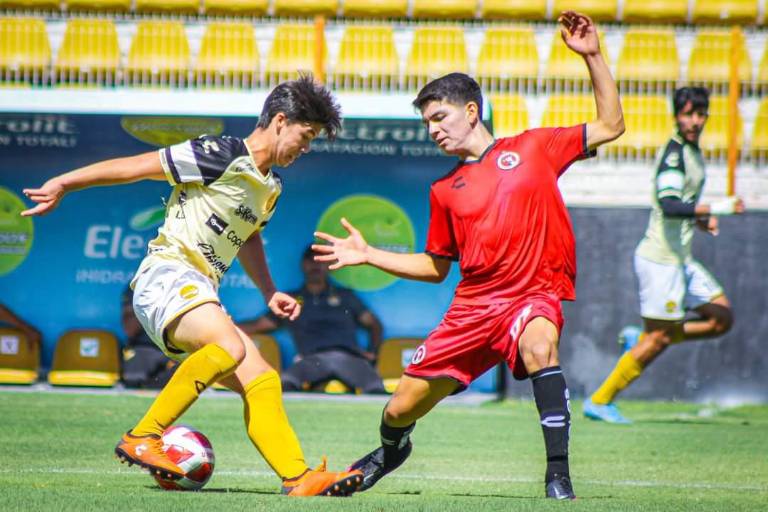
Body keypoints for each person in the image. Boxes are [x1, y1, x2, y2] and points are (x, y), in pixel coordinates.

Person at [312, 11, 624, 500]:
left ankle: (558, 475)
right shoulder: (444, 189)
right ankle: (391, 451)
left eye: (440, 117)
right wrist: (370, 254)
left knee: (540, 347)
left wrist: (593, 56)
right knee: (398, 409)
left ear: (472, 111)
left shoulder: (535, 147)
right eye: (427, 123)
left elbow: (611, 124)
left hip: (532, 296)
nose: (433, 130)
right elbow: (436, 267)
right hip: (473, 309)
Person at [21, 75, 363, 497]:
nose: (306, 148)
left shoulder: (271, 187)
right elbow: (136, 167)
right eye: (305, 136)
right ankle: (143, 436)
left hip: (196, 290)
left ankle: (298, 477)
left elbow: (249, 237)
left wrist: (269, 291)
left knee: (262, 379)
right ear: (280, 120)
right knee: (230, 347)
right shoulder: (220, 154)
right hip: (166, 276)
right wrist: (64, 183)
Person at [583, 87, 745, 424]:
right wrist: (717, 207)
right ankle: (599, 400)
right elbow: (669, 205)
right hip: (660, 261)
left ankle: (643, 339)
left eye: (700, 114)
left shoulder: (692, 152)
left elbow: (679, 205)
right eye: (688, 114)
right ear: (676, 116)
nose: (695, 121)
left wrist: (700, 220)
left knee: (721, 318)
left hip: (680, 259)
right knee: (659, 338)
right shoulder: (674, 154)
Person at [241, 245, 386, 394]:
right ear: (303, 265)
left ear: (329, 265)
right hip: (311, 360)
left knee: (375, 386)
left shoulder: (345, 296)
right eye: (311, 260)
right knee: (286, 382)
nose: (315, 265)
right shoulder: (292, 300)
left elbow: (374, 324)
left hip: (347, 358)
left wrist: (372, 353)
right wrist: (227, 327)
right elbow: (259, 325)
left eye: (320, 260)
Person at [120, 285, 177, 389]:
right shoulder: (138, 285)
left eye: (130, 315)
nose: (124, 320)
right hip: (144, 348)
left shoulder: (147, 352)